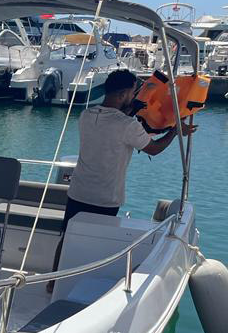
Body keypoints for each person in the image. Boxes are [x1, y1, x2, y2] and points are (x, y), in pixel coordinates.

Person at [49, 69, 197, 287]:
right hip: (105, 197)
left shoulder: (87, 115)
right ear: (124, 94)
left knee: (67, 236)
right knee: (98, 243)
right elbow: (154, 149)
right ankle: (86, 283)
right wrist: (175, 131)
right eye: (132, 92)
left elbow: (111, 126)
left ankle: (53, 281)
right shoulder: (128, 125)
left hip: (78, 191)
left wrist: (129, 112)